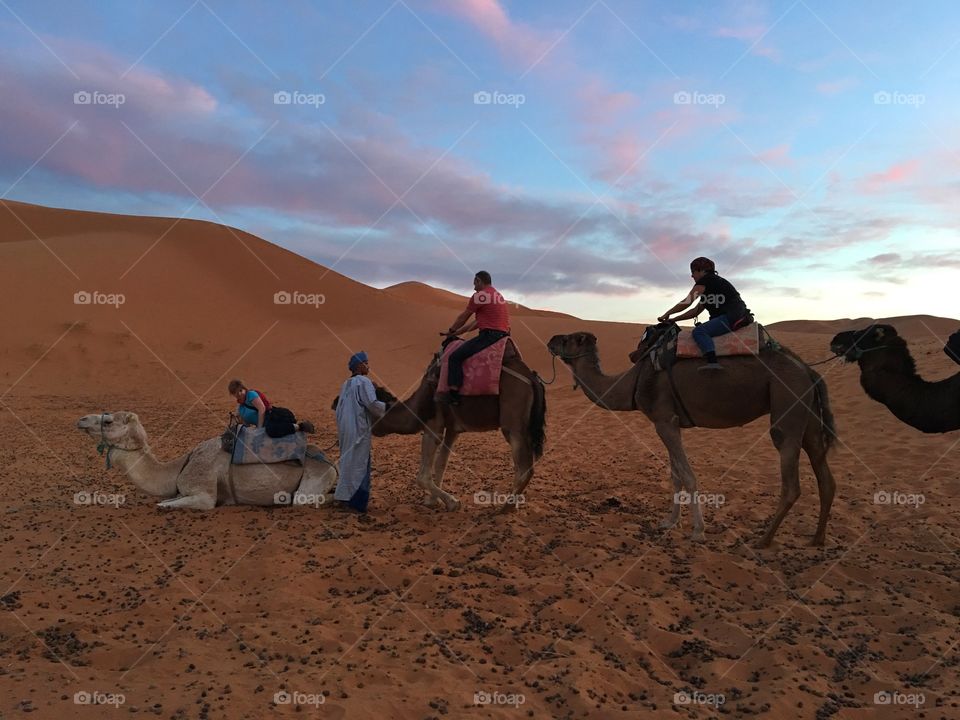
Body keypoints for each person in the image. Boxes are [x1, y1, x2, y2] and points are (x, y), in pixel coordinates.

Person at [657, 257, 752, 371]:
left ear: (701, 270)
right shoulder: (714, 285)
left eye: (693, 272)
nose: (692, 276)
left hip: (731, 316)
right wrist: (674, 319)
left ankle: (712, 362)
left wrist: (667, 314)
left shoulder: (705, 281)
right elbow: (695, 311)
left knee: (699, 331)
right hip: (737, 314)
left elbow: (687, 302)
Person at [440, 271, 511, 404]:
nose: (473, 288)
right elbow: (477, 323)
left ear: (479, 281)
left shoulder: (480, 296)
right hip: (502, 335)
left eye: (475, 284)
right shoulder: (498, 295)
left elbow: (464, 316)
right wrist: (457, 333)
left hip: (489, 336)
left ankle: (454, 394)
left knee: (454, 357)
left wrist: (451, 330)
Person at [334, 352, 389, 512]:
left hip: (345, 429)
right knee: (360, 463)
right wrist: (391, 408)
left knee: (347, 462)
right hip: (358, 429)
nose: (368, 366)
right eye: (366, 363)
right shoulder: (363, 382)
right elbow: (372, 404)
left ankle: (343, 498)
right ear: (359, 366)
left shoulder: (346, 384)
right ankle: (356, 503)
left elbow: (339, 407)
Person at [227, 379, 314, 437]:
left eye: (240, 391)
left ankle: (300, 426)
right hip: (262, 423)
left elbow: (262, 409)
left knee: (270, 430)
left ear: (244, 389)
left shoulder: (251, 395)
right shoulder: (240, 408)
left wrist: (260, 429)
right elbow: (246, 423)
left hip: (271, 416)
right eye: (236, 393)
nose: (239, 394)